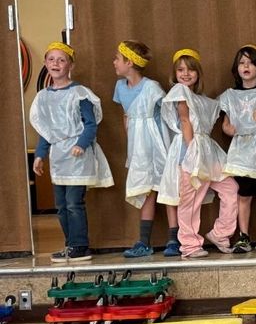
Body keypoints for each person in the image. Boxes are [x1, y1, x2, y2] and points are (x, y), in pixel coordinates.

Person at [30, 42, 114, 262]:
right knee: (61, 205)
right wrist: (39, 155)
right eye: (51, 59)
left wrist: (81, 144)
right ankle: (70, 245)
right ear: (45, 63)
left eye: (62, 59)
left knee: (74, 203)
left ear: (71, 65)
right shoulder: (43, 97)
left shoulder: (79, 93)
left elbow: (90, 124)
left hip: (77, 156)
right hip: (58, 157)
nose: (56, 63)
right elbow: (46, 130)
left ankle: (80, 245)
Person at [157, 48, 238, 258]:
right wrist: (191, 149)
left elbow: (211, 110)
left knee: (230, 188)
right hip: (190, 151)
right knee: (190, 199)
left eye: (191, 69)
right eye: (181, 69)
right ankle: (190, 245)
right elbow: (185, 120)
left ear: (198, 72)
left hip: (207, 151)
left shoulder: (200, 98)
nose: (186, 73)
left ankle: (220, 233)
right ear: (174, 73)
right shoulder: (180, 91)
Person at [112, 40, 179, 257]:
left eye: (117, 59)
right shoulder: (120, 87)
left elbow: (167, 115)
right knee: (146, 190)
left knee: (166, 189)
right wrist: (132, 142)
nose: (114, 62)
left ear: (129, 62)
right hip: (138, 146)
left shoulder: (152, 88)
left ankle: (174, 239)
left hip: (157, 144)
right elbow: (126, 116)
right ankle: (143, 242)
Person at [219, 44, 256, 254]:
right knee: (244, 195)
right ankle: (243, 235)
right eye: (242, 63)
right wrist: (228, 129)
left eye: (251, 63)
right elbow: (226, 123)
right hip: (241, 150)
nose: (246, 66)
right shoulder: (230, 95)